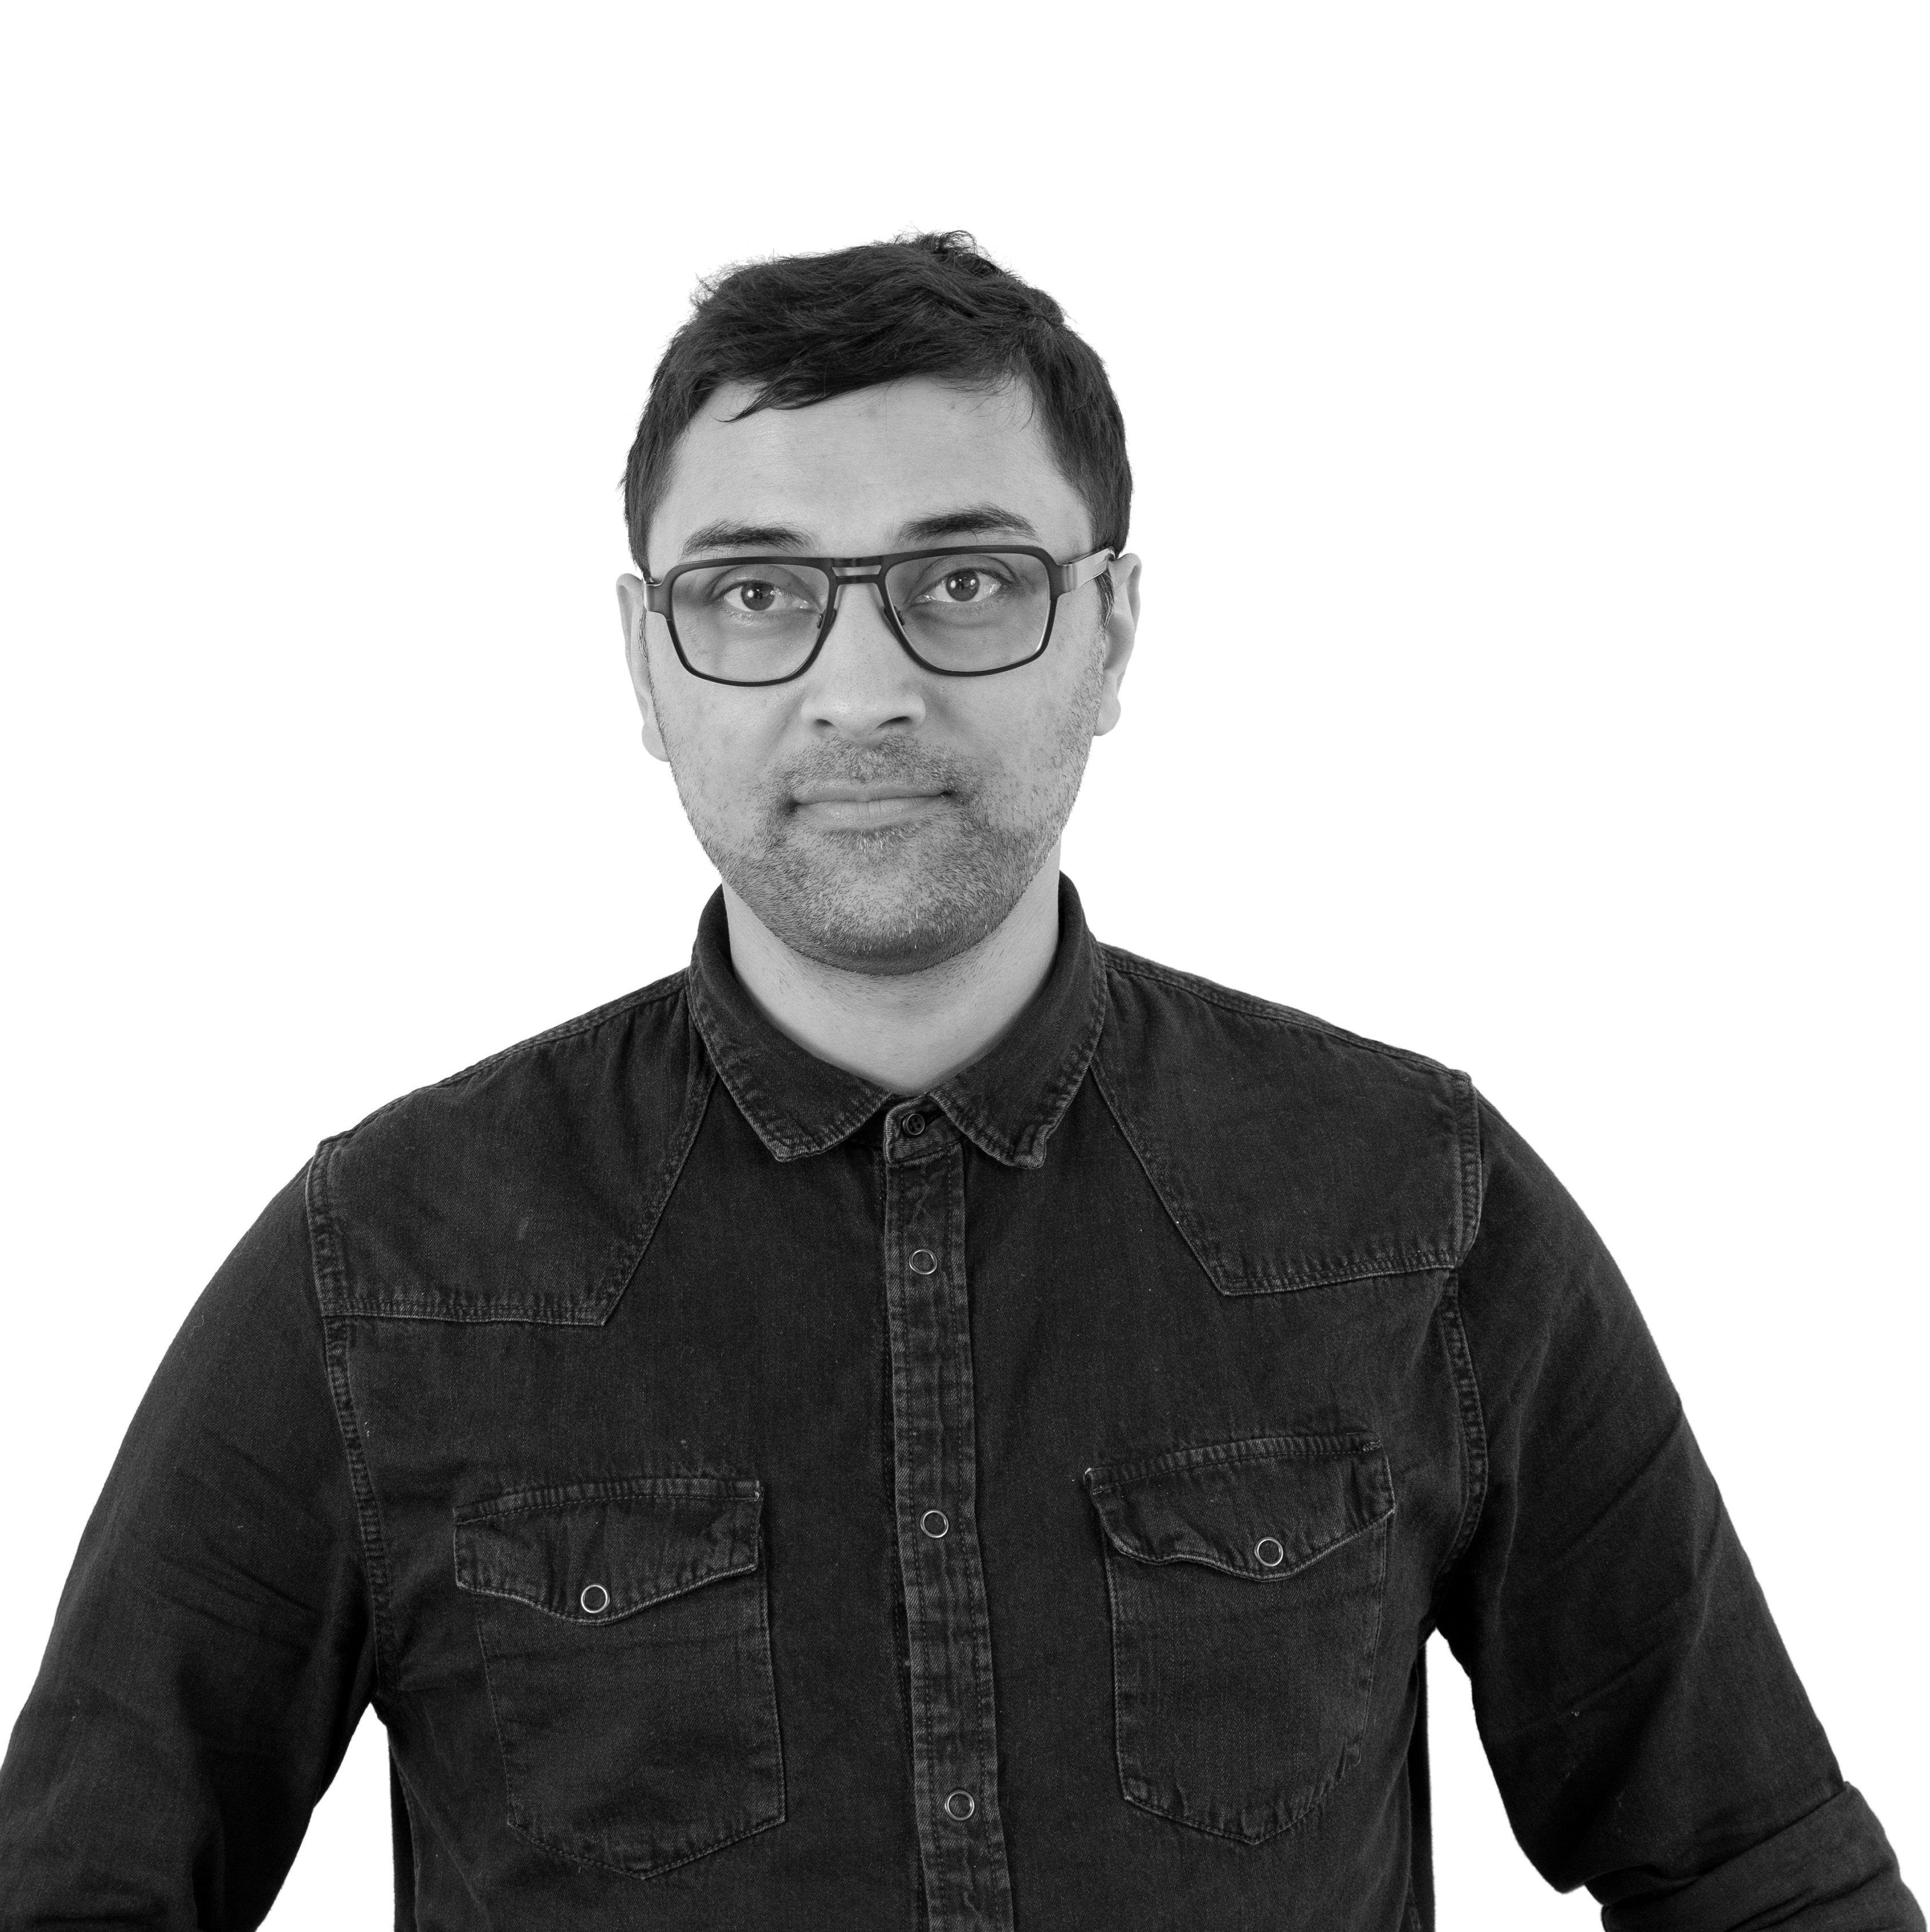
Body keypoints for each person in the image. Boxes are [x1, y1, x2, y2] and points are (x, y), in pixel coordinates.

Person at [0, 233, 1916, 1932]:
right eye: (758, 594)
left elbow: (1754, 1872)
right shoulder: (386, 1265)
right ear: (647, 663)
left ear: (1111, 628)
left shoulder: (1413, 1204)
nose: (864, 690)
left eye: (970, 580)